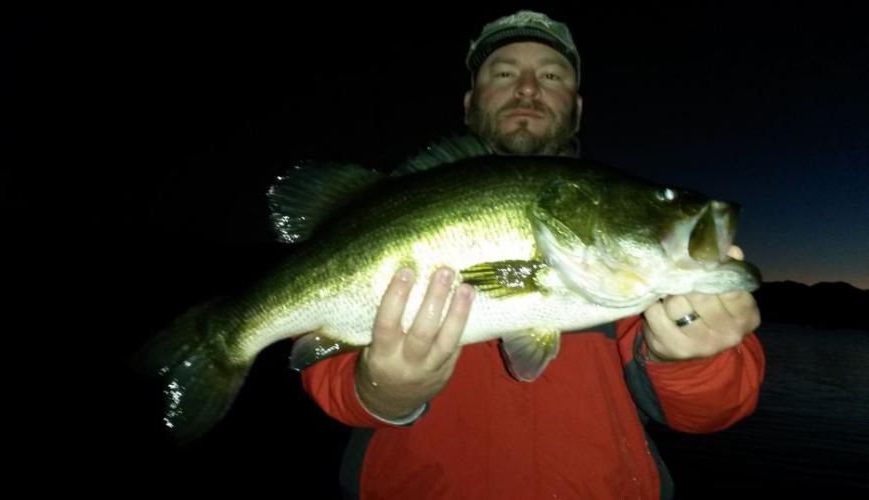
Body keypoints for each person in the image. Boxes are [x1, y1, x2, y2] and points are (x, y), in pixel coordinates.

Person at [300, 10, 764, 500]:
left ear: (577, 106)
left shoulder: (631, 273)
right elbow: (329, 379)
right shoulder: (396, 200)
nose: (527, 88)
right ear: (469, 102)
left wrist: (693, 359)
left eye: (550, 75)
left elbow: (714, 411)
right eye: (503, 74)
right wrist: (385, 391)